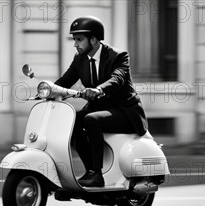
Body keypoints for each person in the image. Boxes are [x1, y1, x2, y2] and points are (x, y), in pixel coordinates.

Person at [54, 16, 148, 187]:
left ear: (94, 39)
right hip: (100, 109)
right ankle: (90, 169)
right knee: (72, 120)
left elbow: (117, 79)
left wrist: (98, 90)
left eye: (79, 39)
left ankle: (97, 174)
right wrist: (47, 89)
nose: (75, 44)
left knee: (91, 119)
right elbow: (66, 80)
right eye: (74, 39)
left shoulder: (118, 56)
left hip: (124, 112)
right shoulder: (80, 58)